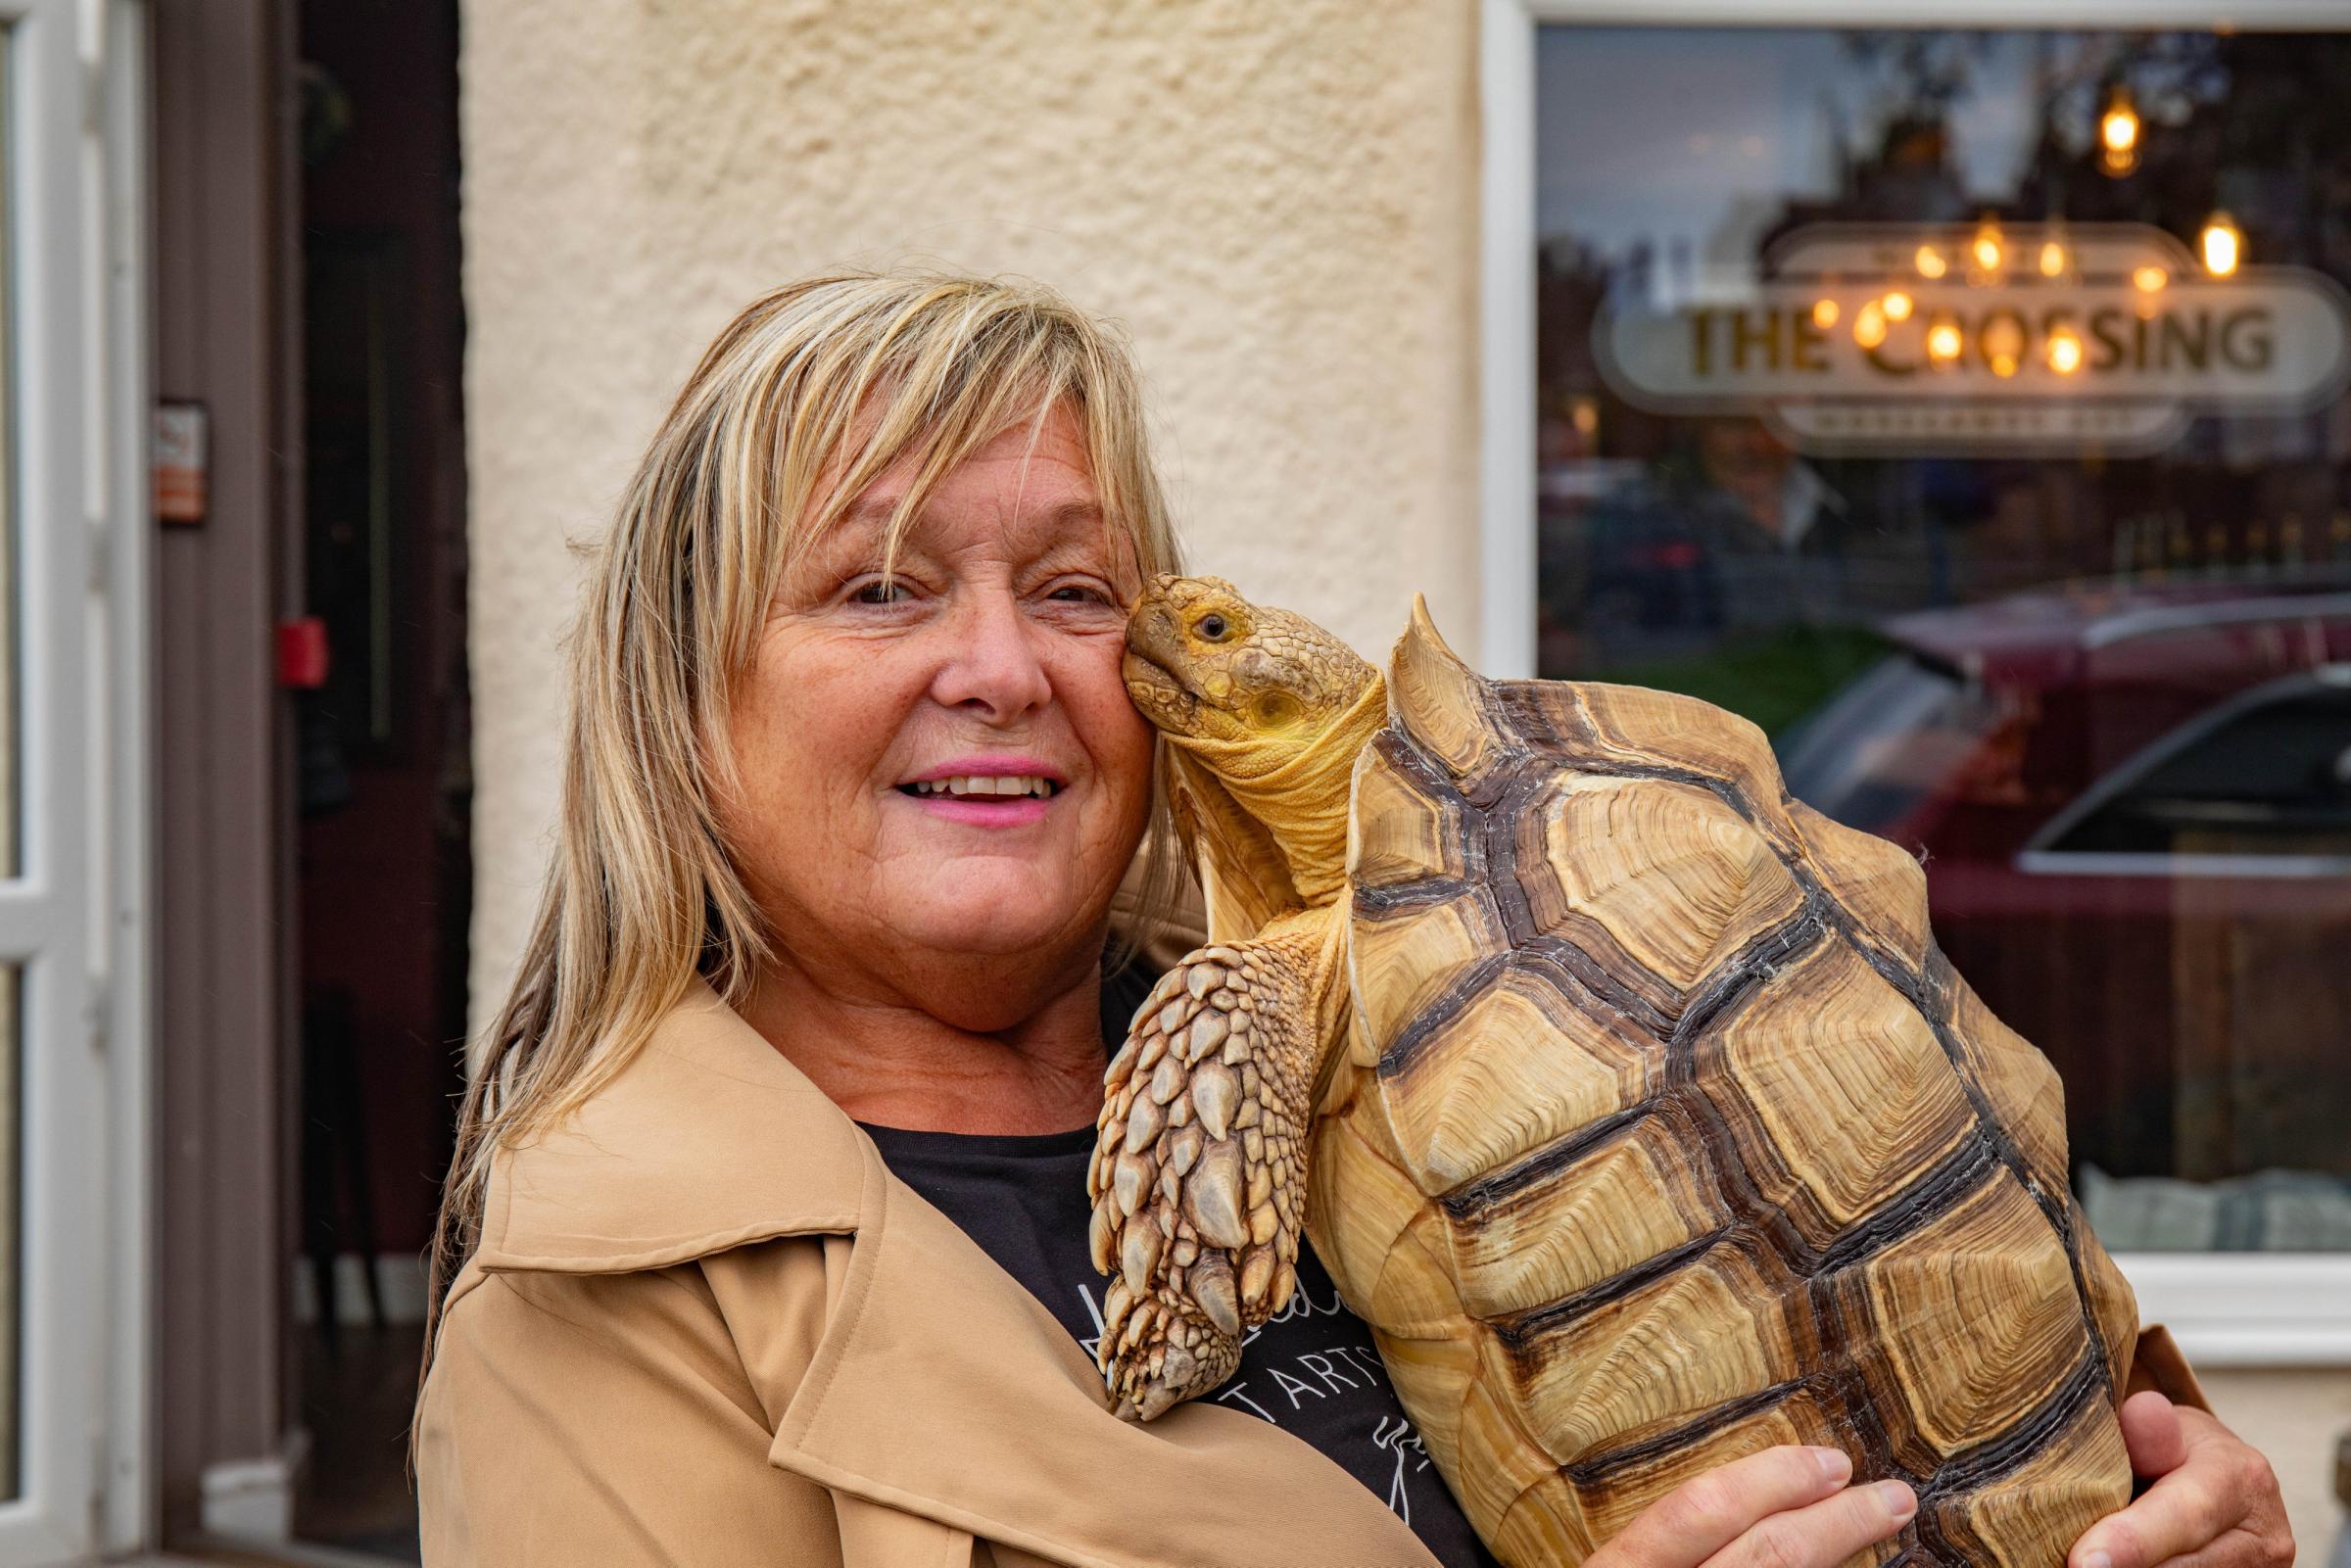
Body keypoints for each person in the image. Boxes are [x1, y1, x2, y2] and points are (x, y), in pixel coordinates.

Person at [413, 271, 2292, 1568]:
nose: (1001, 667)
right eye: (882, 588)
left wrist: (2126, 1474)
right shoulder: (608, 1311)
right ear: (685, 692)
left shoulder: (1399, 1003)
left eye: (1074, 588)